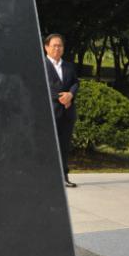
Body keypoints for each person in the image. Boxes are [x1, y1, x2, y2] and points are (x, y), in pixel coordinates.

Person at [44, 33, 80, 188]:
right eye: (54, 45)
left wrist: (70, 94)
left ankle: (64, 176)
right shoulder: (41, 65)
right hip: (50, 112)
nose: (57, 48)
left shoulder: (69, 66)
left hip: (67, 112)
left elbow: (75, 83)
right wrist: (61, 97)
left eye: (60, 46)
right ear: (46, 47)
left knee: (64, 145)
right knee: (48, 145)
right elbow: (41, 85)